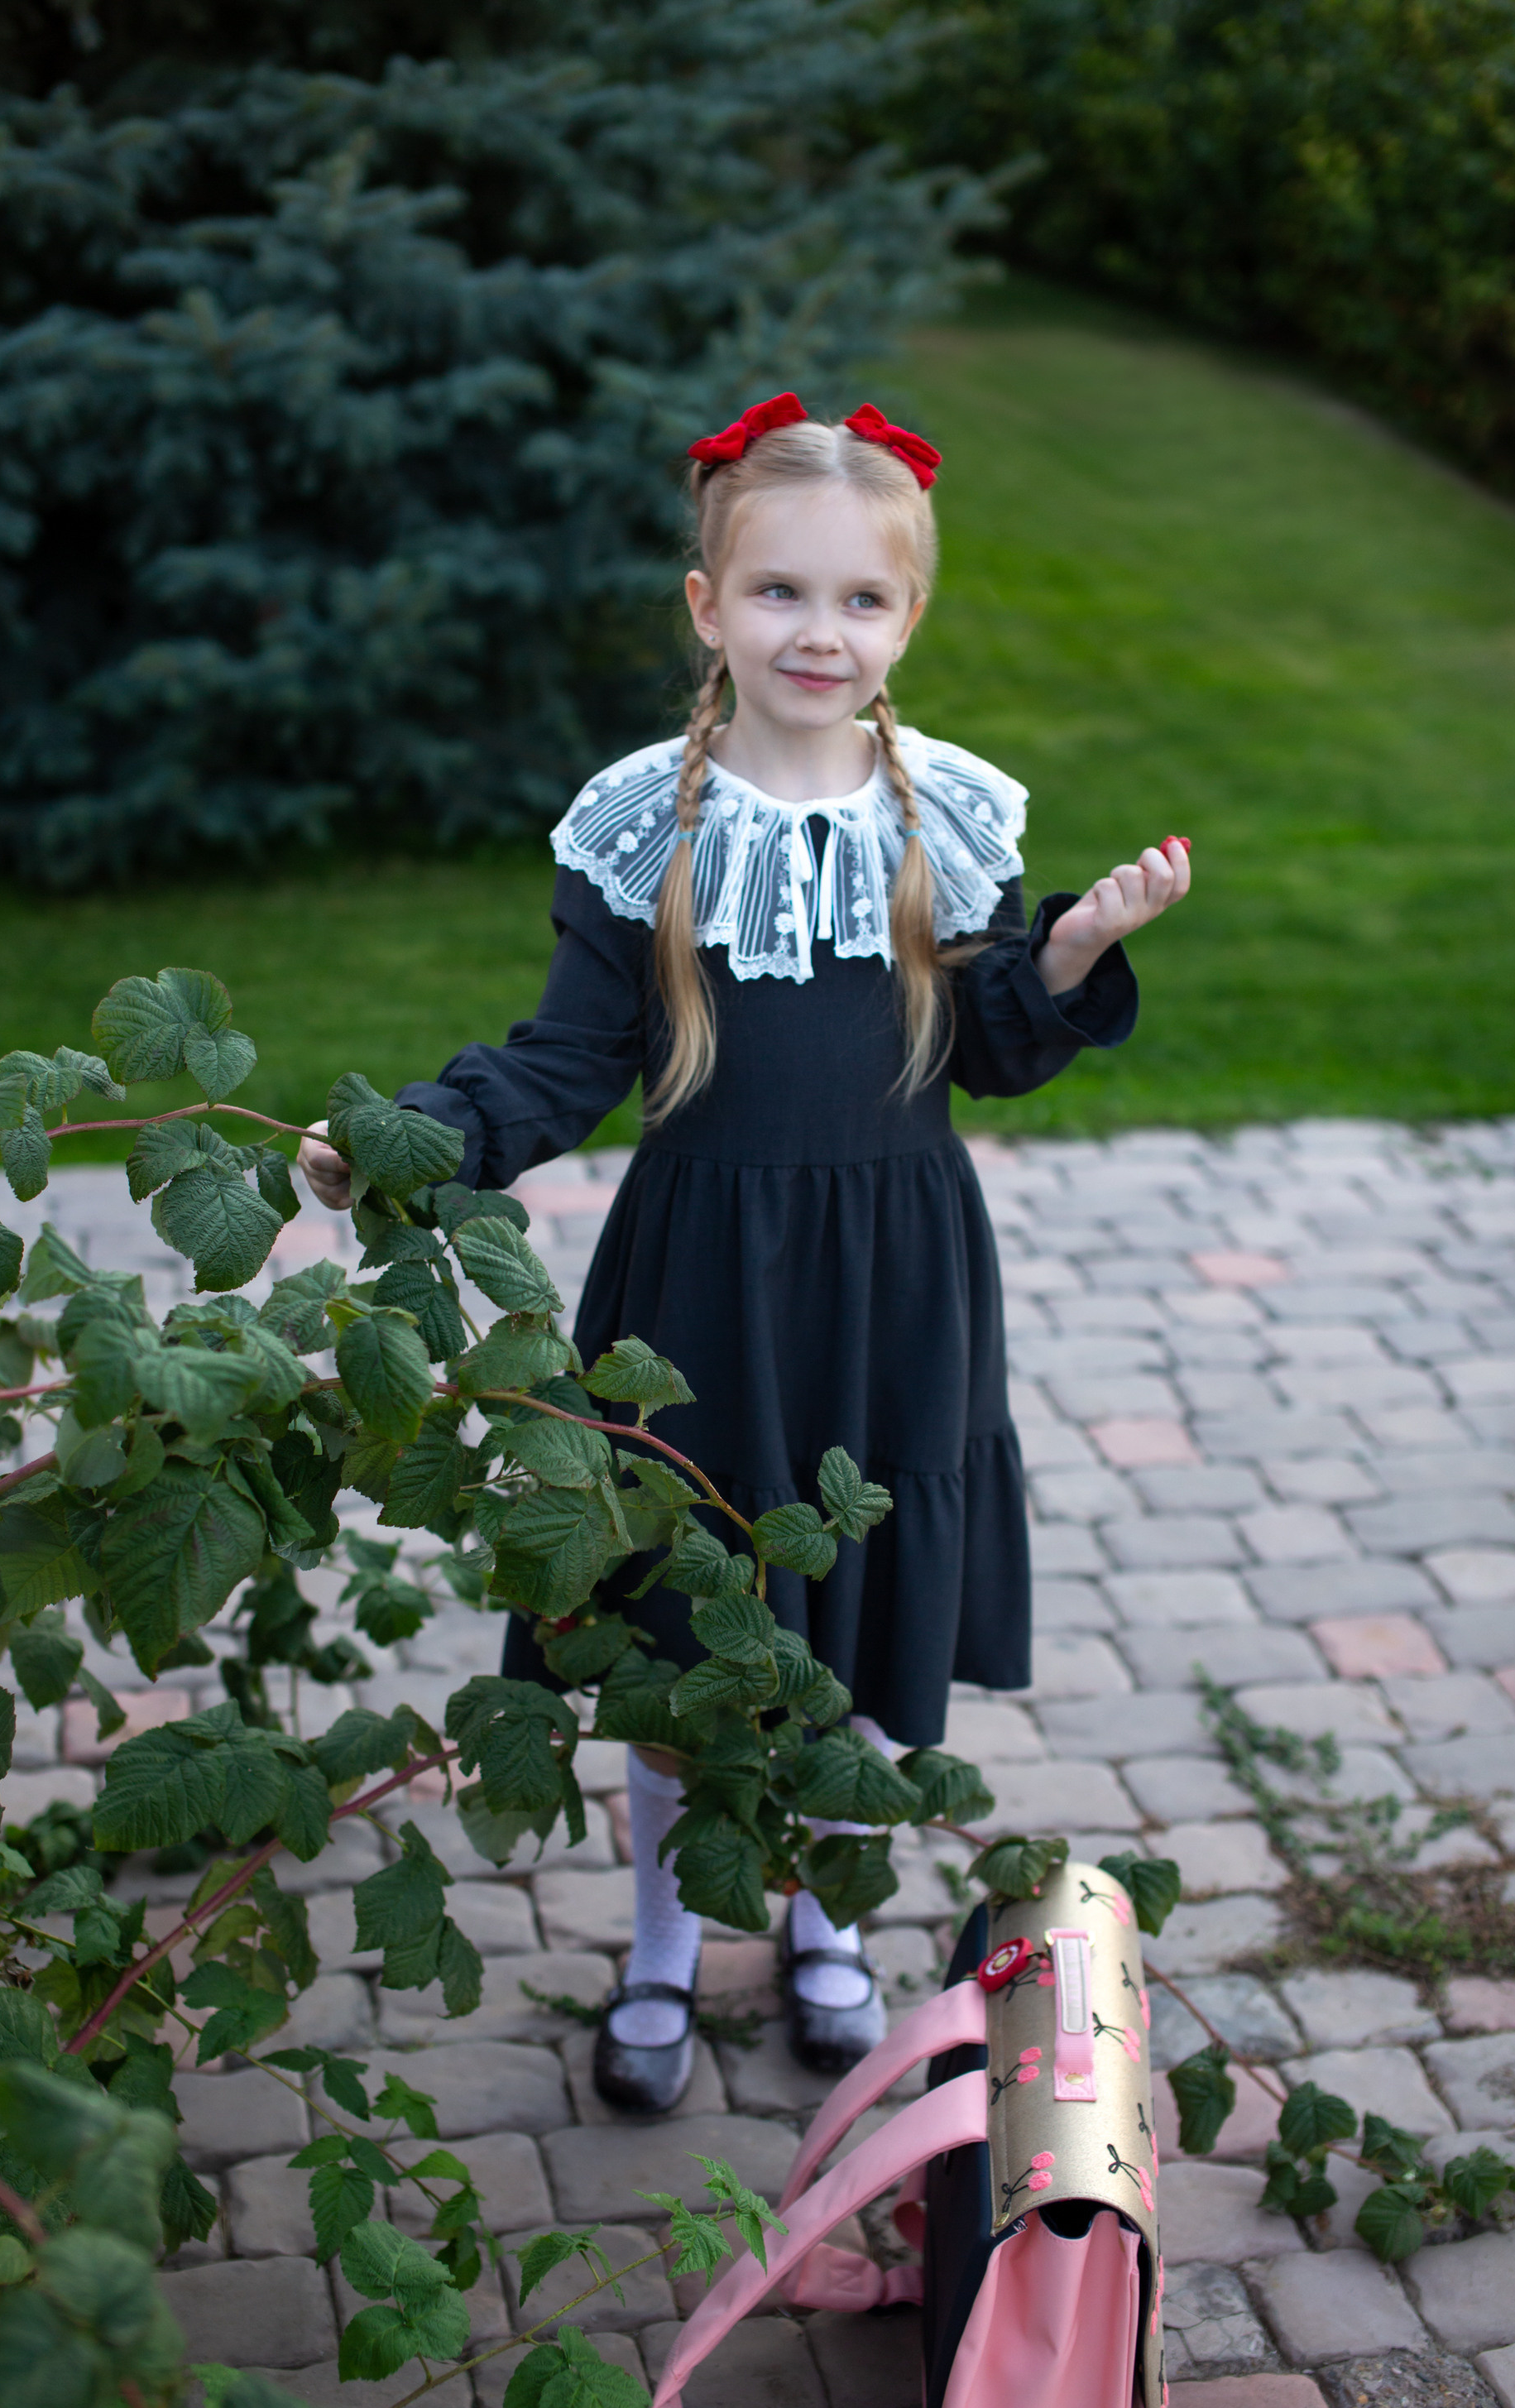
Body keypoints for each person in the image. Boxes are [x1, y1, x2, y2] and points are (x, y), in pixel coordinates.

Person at [300, 394, 1192, 2112]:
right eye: (779, 593)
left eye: (860, 602)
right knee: (683, 1631)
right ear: (707, 606)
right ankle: (658, 1941)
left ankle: (829, 1923)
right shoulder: (650, 822)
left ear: (907, 622)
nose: (819, 632)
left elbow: (990, 1046)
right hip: (702, 1287)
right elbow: (565, 1060)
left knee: (853, 1630)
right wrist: (408, 1141)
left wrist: (1070, 948)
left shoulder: (947, 813)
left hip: (899, 1284)